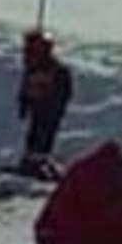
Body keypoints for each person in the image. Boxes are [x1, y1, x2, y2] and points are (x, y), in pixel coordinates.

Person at [17, 29, 73, 180]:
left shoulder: (56, 70)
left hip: (49, 109)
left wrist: (56, 107)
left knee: (44, 135)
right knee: (35, 135)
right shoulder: (33, 68)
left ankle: (38, 162)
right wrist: (24, 103)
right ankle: (32, 162)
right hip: (38, 108)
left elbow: (64, 92)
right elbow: (26, 87)